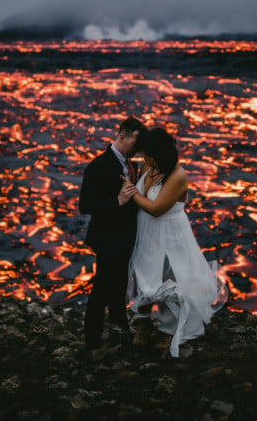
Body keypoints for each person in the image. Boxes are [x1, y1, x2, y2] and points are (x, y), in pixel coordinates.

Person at [122, 127, 228, 358]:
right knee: (143, 275)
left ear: (158, 154)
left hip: (169, 232)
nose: (144, 159)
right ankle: (143, 322)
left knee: (170, 278)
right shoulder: (148, 166)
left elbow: (157, 208)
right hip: (146, 231)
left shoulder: (177, 175)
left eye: (148, 154)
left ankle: (168, 329)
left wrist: (132, 192)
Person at [79, 117, 147, 360]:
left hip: (123, 238)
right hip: (107, 238)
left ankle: (119, 325)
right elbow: (84, 205)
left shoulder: (130, 164)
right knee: (101, 290)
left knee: (119, 284)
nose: (137, 148)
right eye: (135, 142)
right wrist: (116, 201)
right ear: (121, 136)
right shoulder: (99, 166)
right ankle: (93, 342)